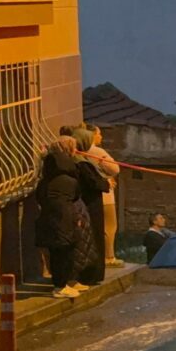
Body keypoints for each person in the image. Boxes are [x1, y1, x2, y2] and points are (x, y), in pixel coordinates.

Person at [35, 137, 84, 299]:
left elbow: (39, 196)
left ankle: (60, 284)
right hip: (66, 217)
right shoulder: (70, 178)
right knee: (65, 252)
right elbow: (76, 196)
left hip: (49, 216)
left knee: (56, 251)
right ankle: (61, 286)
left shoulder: (46, 178)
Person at [73, 128, 110, 286]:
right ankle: (91, 274)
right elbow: (94, 182)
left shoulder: (82, 159)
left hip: (88, 204)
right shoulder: (81, 162)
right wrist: (106, 183)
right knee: (92, 239)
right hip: (90, 205)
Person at [84, 124, 123, 268]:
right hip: (105, 196)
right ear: (92, 135)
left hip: (88, 196)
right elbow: (114, 168)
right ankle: (109, 256)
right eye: (99, 134)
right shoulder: (97, 151)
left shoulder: (80, 152)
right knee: (109, 227)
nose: (101, 137)